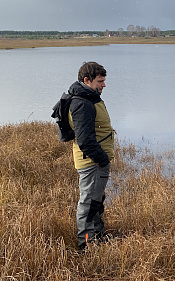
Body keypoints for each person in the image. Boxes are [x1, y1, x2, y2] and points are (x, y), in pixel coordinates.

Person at [68, 61, 115, 251]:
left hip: (96, 162)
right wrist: (102, 159)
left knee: (96, 200)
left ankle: (99, 236)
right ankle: (86, 244)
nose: (104, 85)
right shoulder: (82, 103)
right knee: (88, 203)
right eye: (100, 81)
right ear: (87, 80)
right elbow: (85, 140)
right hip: (92, 162)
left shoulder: (89, 96)